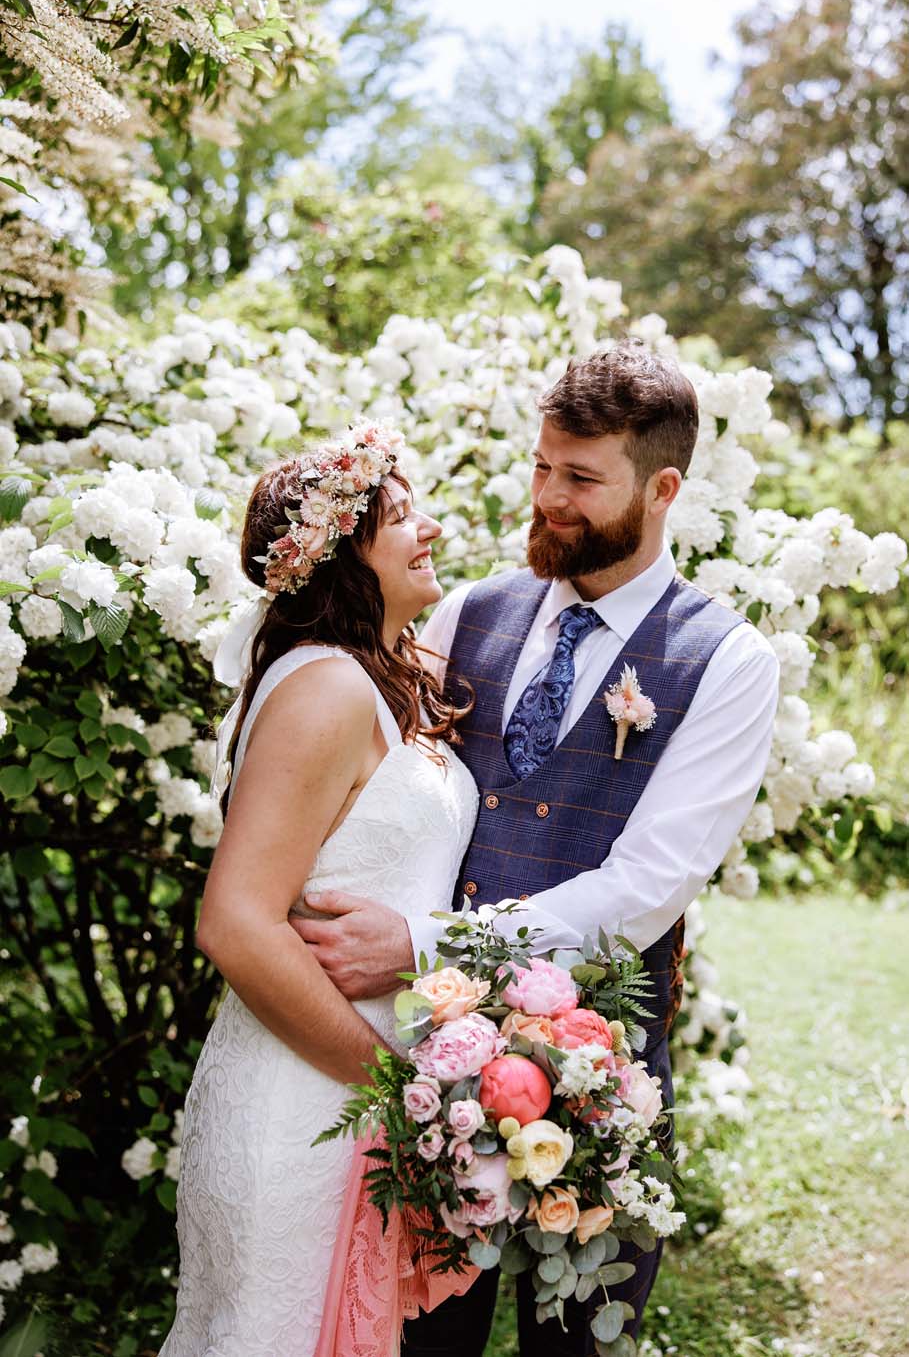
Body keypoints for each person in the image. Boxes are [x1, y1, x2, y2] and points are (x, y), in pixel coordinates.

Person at [292, 343, 781, 1355]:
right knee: (424, 1339)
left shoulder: (728, 661)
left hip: (600, 1080)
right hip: (432, 1075)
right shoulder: (471, 609)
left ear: (663, 488)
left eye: (581, 477)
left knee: (578, 1344)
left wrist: (427, 946)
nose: (548, 497)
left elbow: (645, 887)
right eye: (542, 465)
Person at [159, 424, 480, 1357]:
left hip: (351, 1109)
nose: (430, 529)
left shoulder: (386, 676)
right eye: (400, 514)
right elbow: (234, 922)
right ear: (343, 553)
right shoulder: (325, 690)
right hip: (302, 1107)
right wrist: (390, 1084)